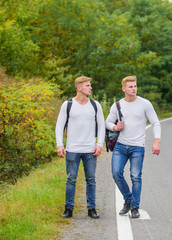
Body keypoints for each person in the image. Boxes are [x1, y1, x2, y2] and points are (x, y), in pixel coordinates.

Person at [105, 75, 161, 219]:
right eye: (130, 86)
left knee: (136, 177)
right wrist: (115, 127)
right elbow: (108, 123)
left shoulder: (145, 104)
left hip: (137, 147)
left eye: (135, 86)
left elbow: (155, 122)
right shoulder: (117, 105)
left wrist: (157, 141)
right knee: (116, 173)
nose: (134, 89)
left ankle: (135, 207)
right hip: (120, 146)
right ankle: (128, 199)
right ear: (124, 89)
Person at [55, 76, 105, 219]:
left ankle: (91, 209)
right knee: (71, 179)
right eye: (87, 85)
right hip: (72, 149)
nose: (90, 88)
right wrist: (60, 145)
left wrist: (99, 144)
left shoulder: (95, 105)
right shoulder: (68, 105)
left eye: (90, 85)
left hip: (90, 150)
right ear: (79, 88)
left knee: (91, 179)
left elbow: (101, 126)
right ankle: (68, 208)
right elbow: (59, 126)